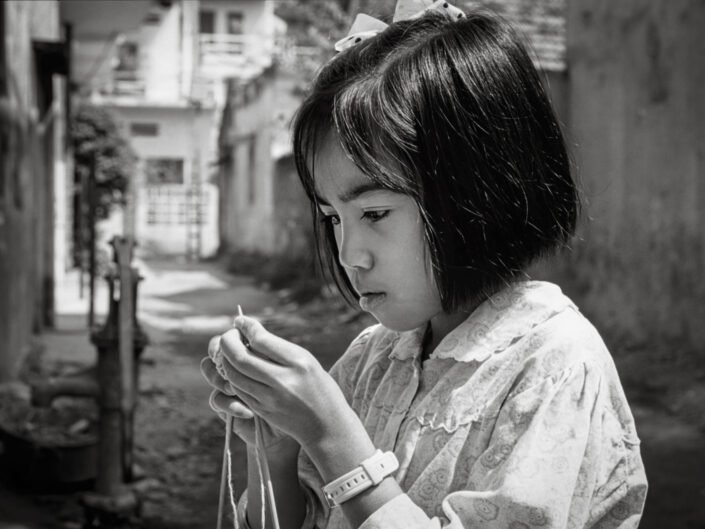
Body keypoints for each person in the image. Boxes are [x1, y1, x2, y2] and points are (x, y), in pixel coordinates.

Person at [201, 1, 648, 528]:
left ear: (476, 194)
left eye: (374, 213)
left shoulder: (554, 367)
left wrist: (332, 438)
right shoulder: (373, 358)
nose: (349, 255)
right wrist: (277, 447)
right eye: (333, 218)